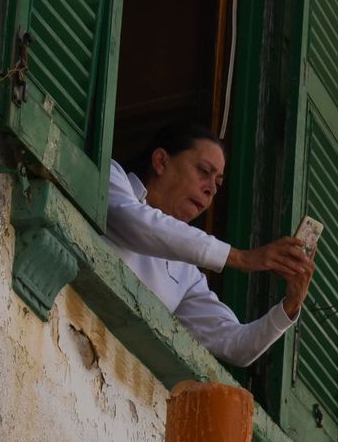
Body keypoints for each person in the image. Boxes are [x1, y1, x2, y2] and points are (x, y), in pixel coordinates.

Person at [106, 121, 314, 367]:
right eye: (204, 171)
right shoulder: (110, 176)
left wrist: (290, 305)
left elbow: (236, 345)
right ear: (161, 161)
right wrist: (241, 258)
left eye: (217, 183)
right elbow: (137, 224)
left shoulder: (187, 272)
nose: (210, 190)